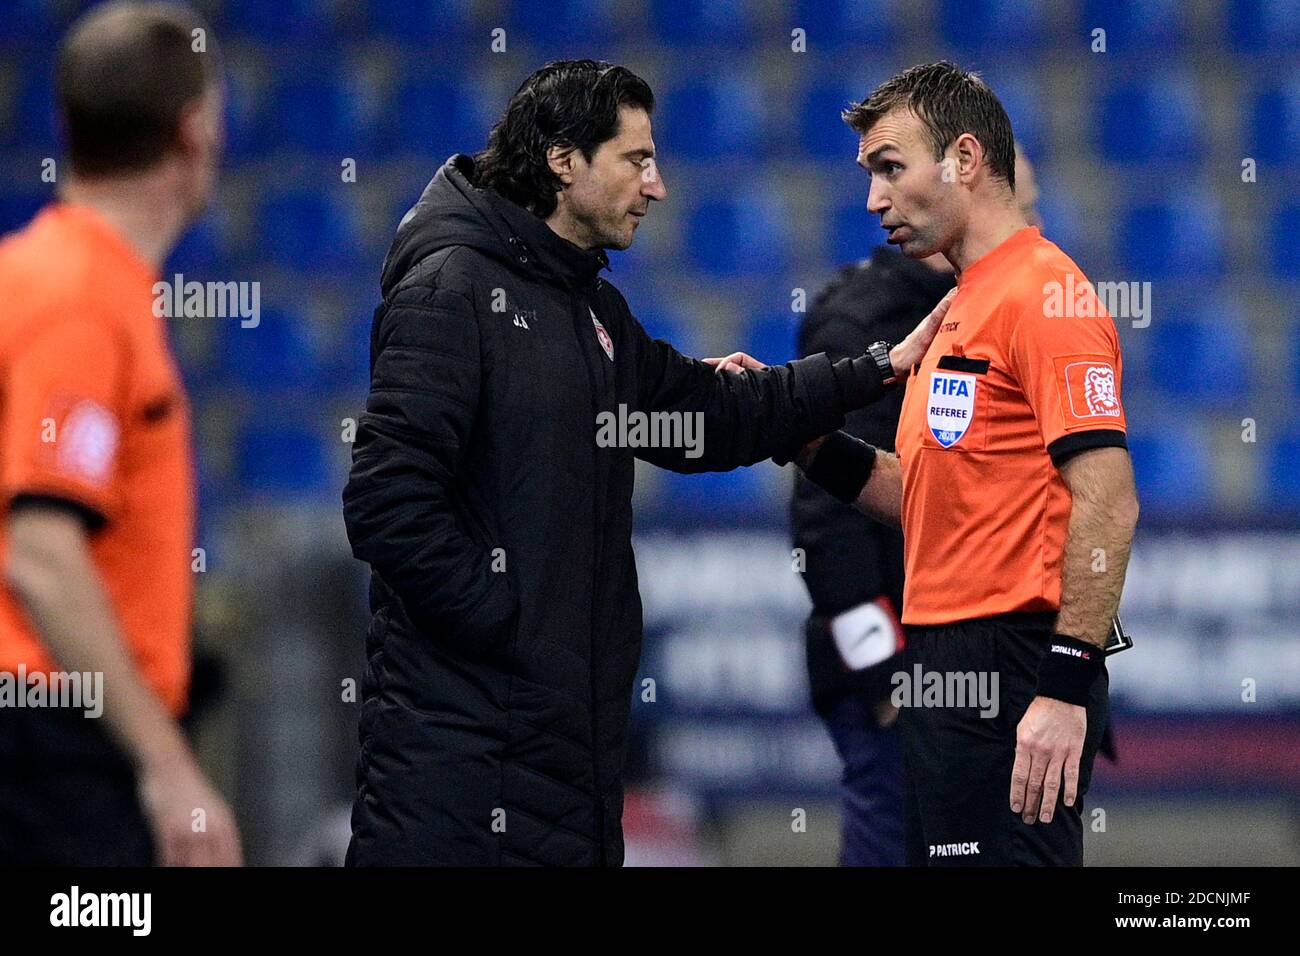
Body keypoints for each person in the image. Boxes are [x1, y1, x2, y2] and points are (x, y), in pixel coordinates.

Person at [341, 59, 950, 866]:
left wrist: (868, 372)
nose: (656, 186)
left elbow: (704, 414)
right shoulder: (450, 290)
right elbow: (386, 500)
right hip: (458, 767)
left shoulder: (585, 303)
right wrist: (509, 624)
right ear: (564, 160)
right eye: (636, 160)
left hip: (563, 756)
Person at [752, 62, 1137, 866]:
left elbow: (1108, 502)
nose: (873, 200)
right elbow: (925, 496)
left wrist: (1064, 687)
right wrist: (795, 431)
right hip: (948, 658)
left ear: (964, 159)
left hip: (1016, 659)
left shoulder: (1042, 296)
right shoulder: (962, 304)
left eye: (891, 169)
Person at [0, 1, 241, 866]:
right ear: (192, 134)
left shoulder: (33, 275)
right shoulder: (83, 301)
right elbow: (41, 553)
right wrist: (169, 767)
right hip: (53, 749)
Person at [790, 148, 1042, 867]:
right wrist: (886, 679)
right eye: (1023, 210)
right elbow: (827, 522)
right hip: (904, 678)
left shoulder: (992, 311)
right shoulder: (864, 324)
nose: (1038, 227)